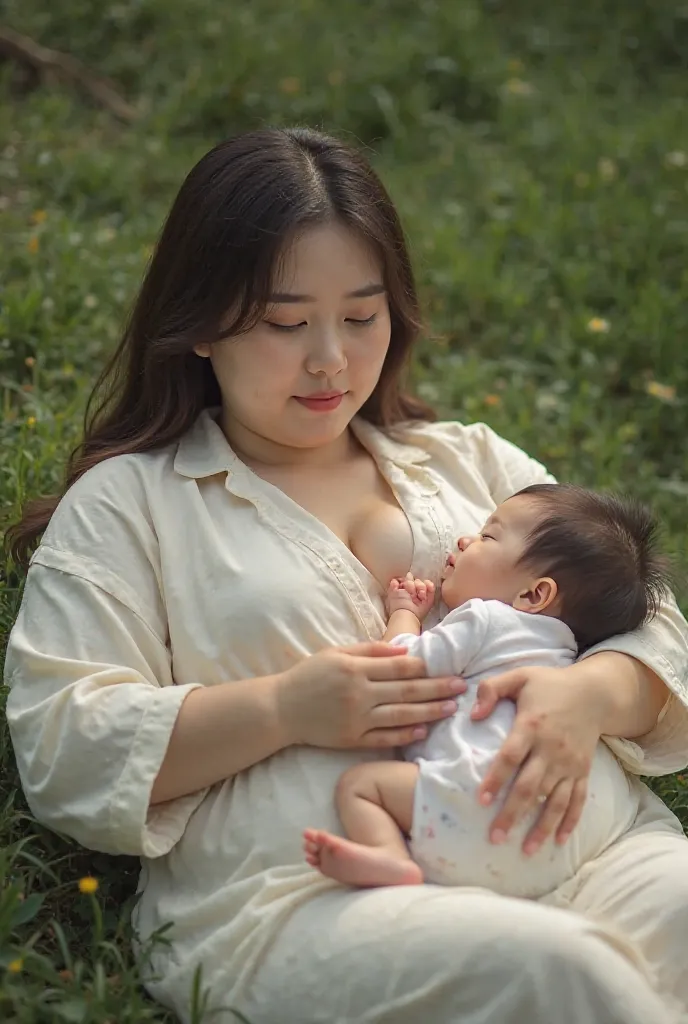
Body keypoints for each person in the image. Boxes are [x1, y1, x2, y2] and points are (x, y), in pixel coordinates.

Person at [3, 127, 688, 1024]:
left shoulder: (464, 460)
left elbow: (650, 611)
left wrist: (594, 693)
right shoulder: (133, 504)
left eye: (362, 316)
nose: (331, 358)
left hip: (593, 852)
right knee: (565, 976)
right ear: (204, 323)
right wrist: (281, 708)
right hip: (313, 893)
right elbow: (63, 740)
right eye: (288, 323)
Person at [304, 484, 670, 900]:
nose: (465, 540)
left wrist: (404, 614)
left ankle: (389, 856)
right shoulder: (568, 654)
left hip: (477, 806)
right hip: (562, 841)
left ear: (534, 594)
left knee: (361, 785)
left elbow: (399, 668)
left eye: (487, 537)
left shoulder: (485, 620)